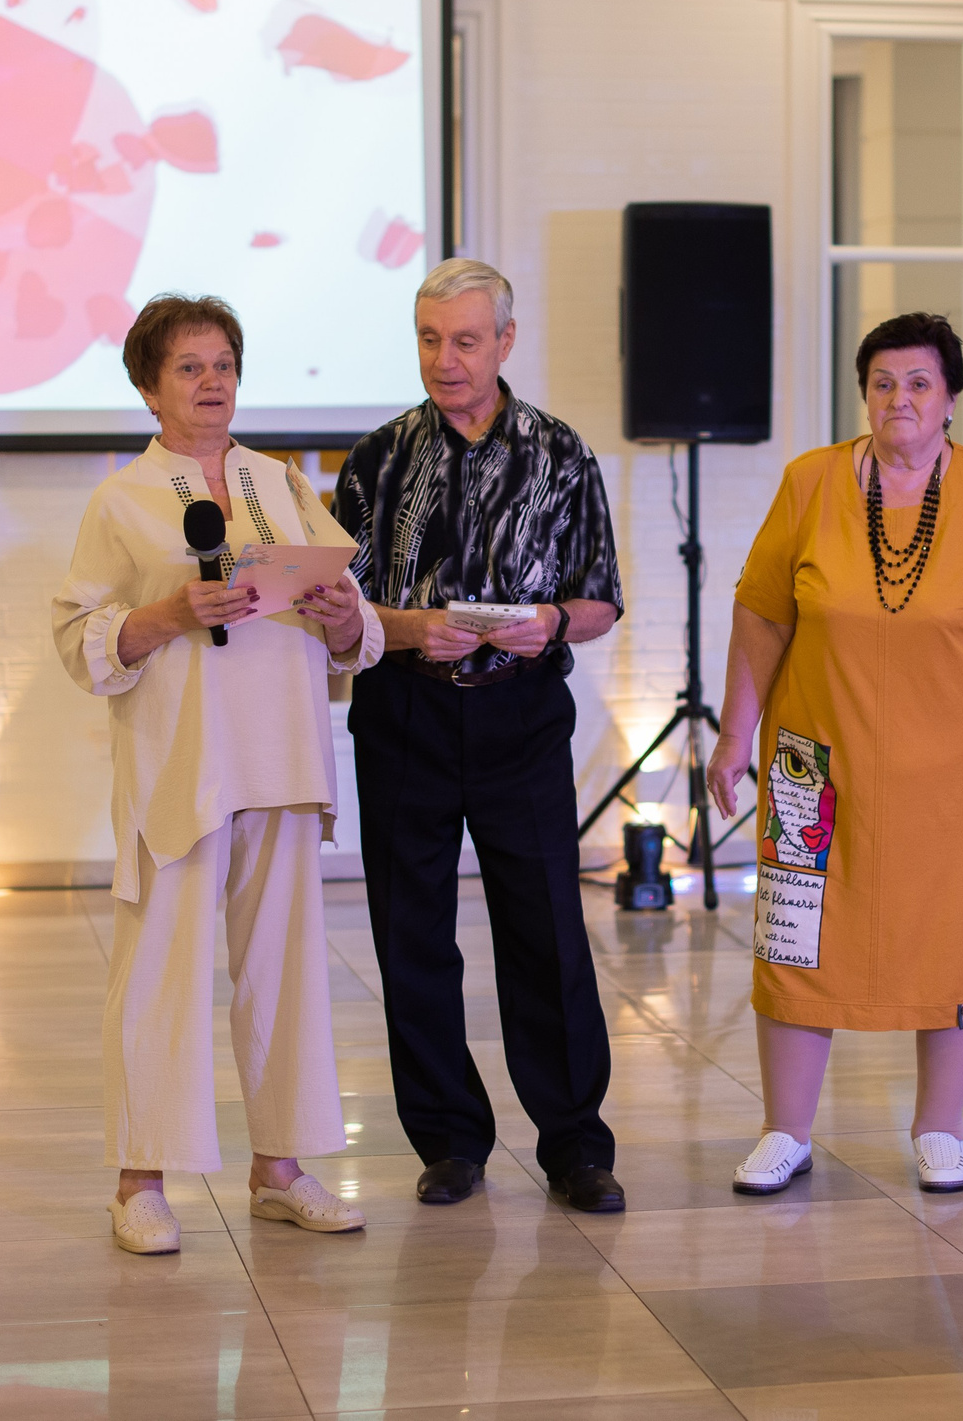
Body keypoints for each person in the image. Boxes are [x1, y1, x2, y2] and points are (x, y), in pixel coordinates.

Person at [53, 293, 381, 1254]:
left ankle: (279, 1169)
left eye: (224, 364)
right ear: (149, 388)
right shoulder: (121, 499)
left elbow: (351, 621)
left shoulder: (282, 481)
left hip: (281, 753)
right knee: (160, 970)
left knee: (285, 971)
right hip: (182, 765)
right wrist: (167, 614)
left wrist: (343, 615)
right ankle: (141, 1181)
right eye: (189, 367)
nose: (212, 382)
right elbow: (78, 638)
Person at [706, 313, 963, 1196]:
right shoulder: (811, 480)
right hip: (813, 767)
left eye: (919, 382)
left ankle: (940, 1127)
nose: (900, 398)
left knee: (953, 938)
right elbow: (762, 614)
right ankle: (785, 1130)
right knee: (796, 938)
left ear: (951, 399)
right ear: (864, 394)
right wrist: (733, 733)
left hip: (960, 771)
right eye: (883, 382)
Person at [333, 258, 628, 1213]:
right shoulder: (375, 460)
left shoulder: (561, 452)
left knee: (546, 931)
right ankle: (450, 1138)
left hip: (520, 715)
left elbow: (600, 599)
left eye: (464, 340)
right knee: (410, 934)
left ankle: (576, 1144)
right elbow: (340, 614)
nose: (444, 359)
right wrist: (410, 627)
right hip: (404, 713)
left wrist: (552, 622)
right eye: (429, 339)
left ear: (505, 341)